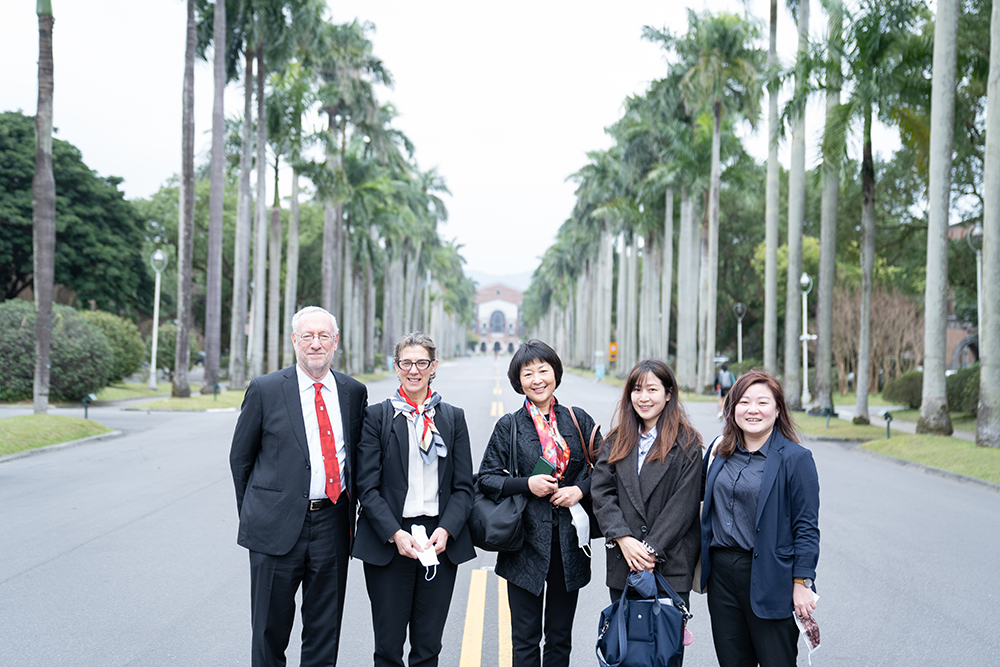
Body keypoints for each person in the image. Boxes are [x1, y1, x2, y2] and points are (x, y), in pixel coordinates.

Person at [230, 306, 368, 667]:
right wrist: (258, 513)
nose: (315, 343)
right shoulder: (265, 389)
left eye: (323, 336)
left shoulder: (354, 392)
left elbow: (357, 457)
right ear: (294, 341)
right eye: (307, 336)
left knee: (325, 630)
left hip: (333, 522)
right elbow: (241, 459)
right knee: (269, 630)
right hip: (273, 526)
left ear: (335, 341)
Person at [353, 332, 476, 667]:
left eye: (422, 362)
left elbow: (464, 487)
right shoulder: (377, 417)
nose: (414, 370)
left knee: (428, 647)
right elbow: (367, 487)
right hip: (390, 541)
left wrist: (447, 530)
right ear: (396, 367)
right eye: (406, 363)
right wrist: (395, 533)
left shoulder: (453, 418)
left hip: (438, 541)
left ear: (433, 366)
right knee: (388, 647)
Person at [477, 339, 602, 667]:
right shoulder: (509, 426)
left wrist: (580, 490)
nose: (537, 380)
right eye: (528, 373)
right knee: (525, 639)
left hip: (569, 543)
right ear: (518, 381)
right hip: (523, 543)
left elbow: (607, 468)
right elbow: (487, 478)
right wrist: (527, 485)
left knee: (560, 638)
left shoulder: (577, 419)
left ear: (555, 373)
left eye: (543, 371)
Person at [700, 370, 820, 667]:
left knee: (776, 660)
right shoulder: (718, 451)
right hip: (722, 575)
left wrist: (803, 581)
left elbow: (806, 527)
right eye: (744, 402)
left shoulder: (796, 458)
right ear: (732, 408)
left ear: (778, 409)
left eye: (762, 402)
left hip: (771, 576)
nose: (752, 410)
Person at [591, 359, 702, 619]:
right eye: (637, 389)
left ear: (668, 394)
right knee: (625, 640)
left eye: (652, 389)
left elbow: (683, 505)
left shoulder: (688, 443)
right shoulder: (616, 440)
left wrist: (649, 550)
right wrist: (623, 538)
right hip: (624, 563)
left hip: (669, 565)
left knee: (665, 642)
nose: (644, 398)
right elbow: (602, 492)